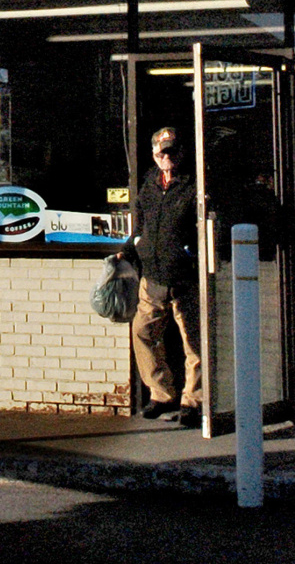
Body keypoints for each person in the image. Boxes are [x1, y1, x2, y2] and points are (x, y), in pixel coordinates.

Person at [119, 126, 202, 425]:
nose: (167, 157)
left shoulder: (194, 184)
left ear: (181, 153)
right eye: (161, 152)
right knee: (143, 333)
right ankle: (161, 394)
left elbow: (205, 227)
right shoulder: (149, 186)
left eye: (172, 151)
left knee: (193, 342)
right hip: (152, 276)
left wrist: (191, 255)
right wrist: (130, 248)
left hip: (184, 277)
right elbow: (142, 225)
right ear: (154, 155)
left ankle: (194, 401)